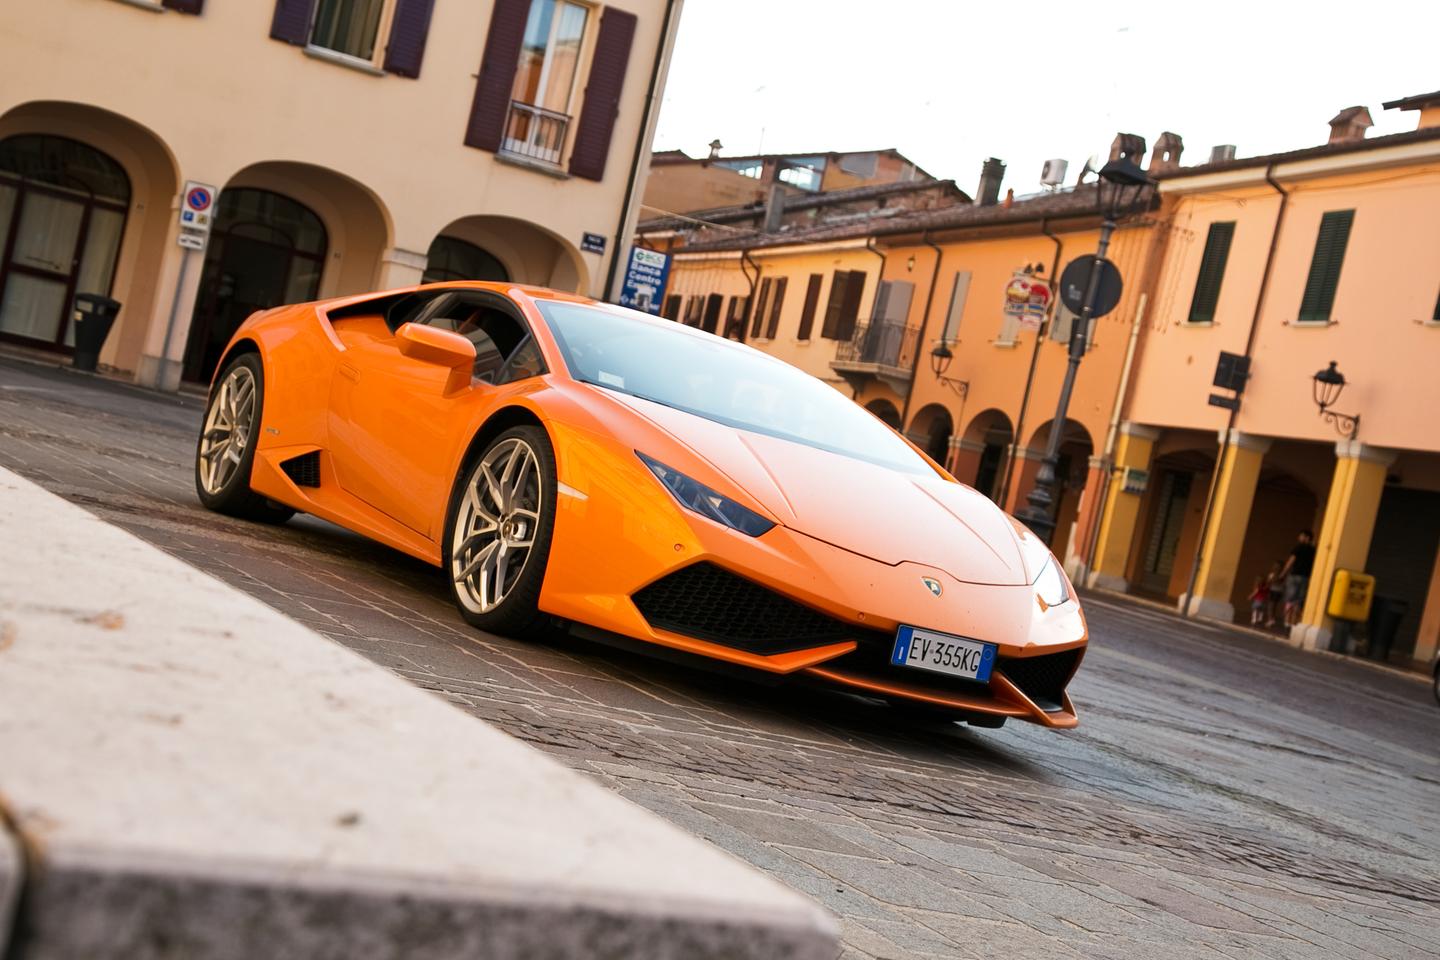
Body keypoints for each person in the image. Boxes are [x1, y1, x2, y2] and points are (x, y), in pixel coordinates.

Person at [1277, 530, 1317, 629]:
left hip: (1294, 575)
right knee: (1298, 600)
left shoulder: (1298, 547)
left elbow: (1291, 561)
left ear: (1307, 538)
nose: (1299, 538)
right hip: (1305, 577)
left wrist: (1282, 573)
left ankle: (1287, 621)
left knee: (1290, 598)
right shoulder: (1313, 550)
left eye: (1302, 536)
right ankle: (1294, 622)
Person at [1265, 561, 1284, 628]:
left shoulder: (1273, 575)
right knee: (1274, 606)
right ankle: (1272, 619)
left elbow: (1269, 583)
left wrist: (1269, 582)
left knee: (1270, 606)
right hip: (1279, 591)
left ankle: (1270, 619)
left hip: (1273, 591)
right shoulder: (1282, 574)